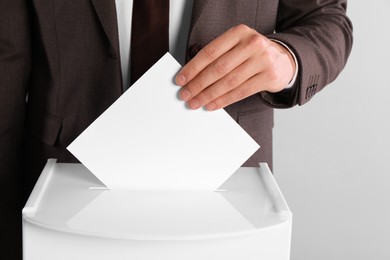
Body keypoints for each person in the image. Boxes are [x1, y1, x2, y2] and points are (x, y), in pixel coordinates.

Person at [0, 0, 353, 258]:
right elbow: (8, 59)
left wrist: (287, 57)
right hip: (63, 189)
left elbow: (325, 18)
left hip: (230, 194)